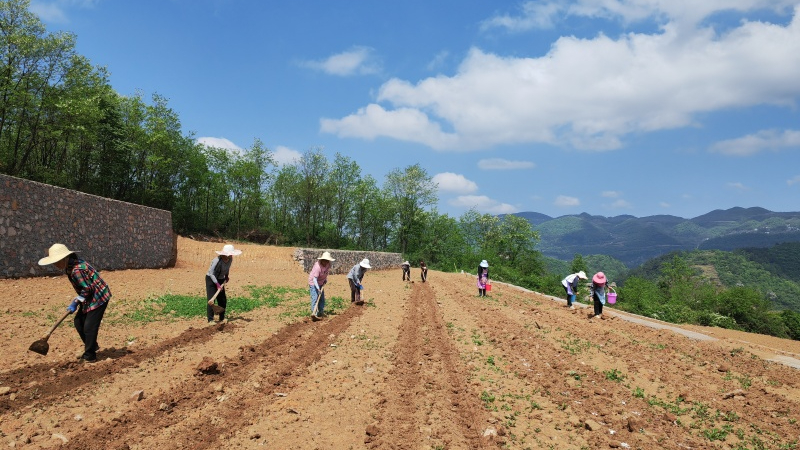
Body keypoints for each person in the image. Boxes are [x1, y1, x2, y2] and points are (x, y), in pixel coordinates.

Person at [38, 243, 112, 363]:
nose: (55, 265)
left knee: (89, 326)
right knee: (79, 322)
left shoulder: (76, 270)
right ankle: (92, 346)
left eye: (57, 262)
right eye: (54, 262)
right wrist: (79, 299)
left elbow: (88, 288)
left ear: (65, 258)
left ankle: (90, 355)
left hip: (99, 296)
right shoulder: (70, 266)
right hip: (89, 296)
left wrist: (76, 301)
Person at [206, 244, 242, 324]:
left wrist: (226, 276)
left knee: (222, 299)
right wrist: (217, 284)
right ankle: (210, 320)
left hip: (220, 279)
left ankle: (221, 318)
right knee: (211, 299)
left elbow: (227, 268)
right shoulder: (216, 260)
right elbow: (211, 273)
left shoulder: (230, 259)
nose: (231, 255)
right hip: (211, 279)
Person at [309, 251, 335, 320]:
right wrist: (318, 288)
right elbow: (314, 279)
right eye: (325, 261)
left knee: (321, 298)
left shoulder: (328, 264)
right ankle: (314, 313)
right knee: (315, 298)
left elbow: (326, 272)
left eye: (327, 261)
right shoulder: (317, 267)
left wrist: (325, 279)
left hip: (321, 282)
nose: (326, 262)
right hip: (313, 283)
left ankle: (320, 312)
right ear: (322, 260)